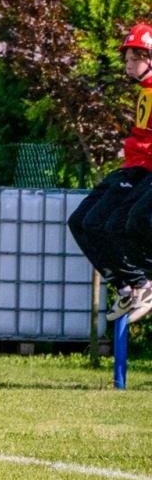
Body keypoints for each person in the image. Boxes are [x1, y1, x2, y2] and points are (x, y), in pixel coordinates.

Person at [67, 23, 152, 325]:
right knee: (79, 221)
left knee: (118, 223)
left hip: (143, 170)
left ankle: (142, 282)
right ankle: (127, 287)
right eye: (127, 60)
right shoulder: (145, 91)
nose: (128, 66)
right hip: (132, 165)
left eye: (134, 59)